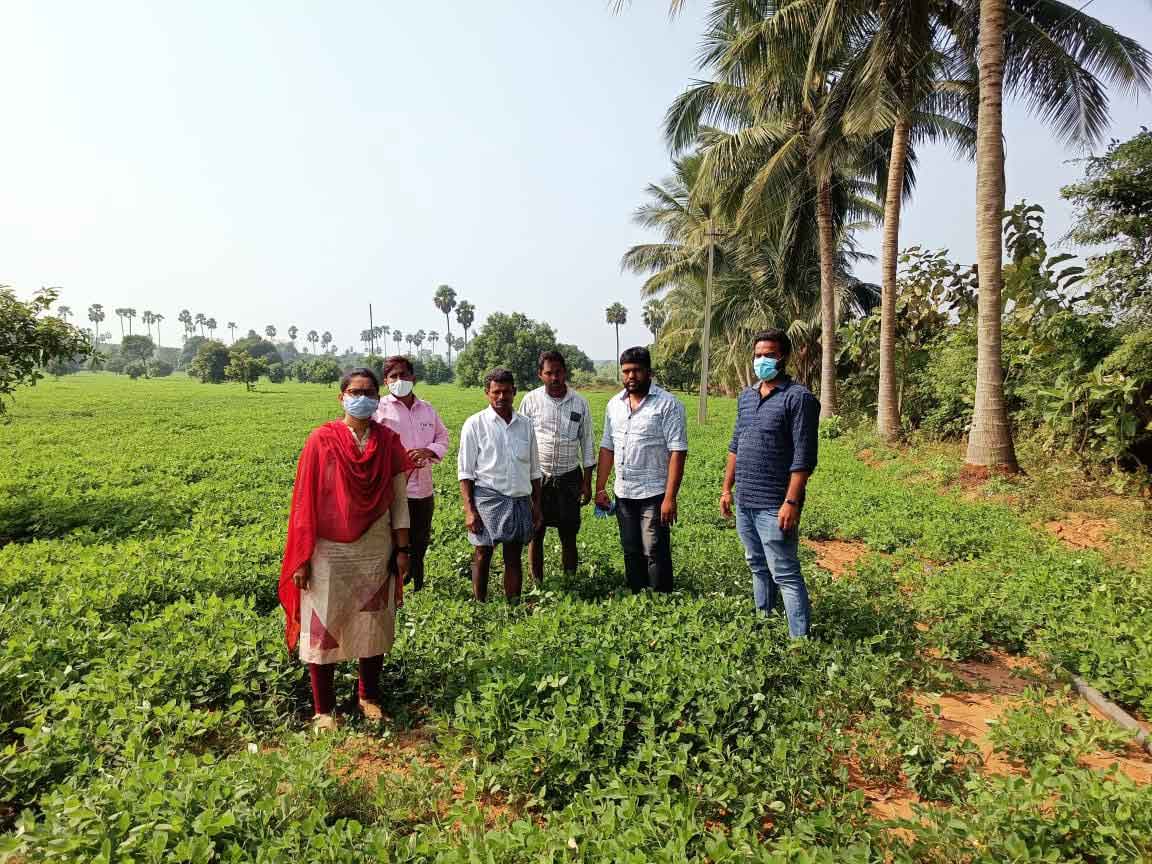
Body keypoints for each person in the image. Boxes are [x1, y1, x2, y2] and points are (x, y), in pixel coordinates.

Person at [279, 367, 412, 731]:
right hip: (327, 550)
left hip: (375, 547)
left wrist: (403, 549)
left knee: (373, 622)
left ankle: (368, 695)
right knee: (324, 623)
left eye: (370, 392)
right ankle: (323, 709)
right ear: (342, 396)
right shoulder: (321, 440)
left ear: (378, 397)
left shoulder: (388, 442)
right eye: (356, 391)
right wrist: (302, 558)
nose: (363, 398)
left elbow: (399, 500)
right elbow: (305, 502)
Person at [720, 329, 820, 638]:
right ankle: (764, 619)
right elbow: (736, 444)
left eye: (770, 355)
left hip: (775, 504)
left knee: (786, 572)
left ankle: (799, 640)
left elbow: (804, 457)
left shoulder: (798, 398)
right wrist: (727, 488)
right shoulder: (747, 396)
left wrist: (791, 502)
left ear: (784, 357)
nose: (762, 360)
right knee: (756, 564)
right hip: (745, 500)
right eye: (758, 355)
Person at [595, 346, 687, 593]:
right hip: (623, 491)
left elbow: (677, 451)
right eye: (625, 371)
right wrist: (600, 487)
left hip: (654, 492)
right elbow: (607, 447)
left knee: (654, 547)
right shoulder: (614, 404)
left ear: (649, 372)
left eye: (636, 370)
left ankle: (660, 595)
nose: (630, 376)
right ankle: (636, 592)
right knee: (630, 547)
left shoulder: (668, 405)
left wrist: (670, 498)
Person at [457, 368, 543, 601]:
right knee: (483, 552)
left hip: (518, 499)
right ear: (487, 393)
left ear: (514, 392)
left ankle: (513, 603)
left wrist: (536, 505)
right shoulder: (474, 424)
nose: (501, 397)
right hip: (487, 498)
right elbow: (465, 473)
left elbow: (534, 470)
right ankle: (480, 602)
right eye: (496, 392)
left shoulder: (525, 425)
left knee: (513, 555)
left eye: (506, 392)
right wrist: (469, 510)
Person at [373, 355, 450, 591]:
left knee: (420, 539)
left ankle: (417, 584)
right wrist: (400, 460)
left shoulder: (427, 409)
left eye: (403, 375)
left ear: (413, 378)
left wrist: (429, 451)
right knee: (393, 541)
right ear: (386, 381)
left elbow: (443, 437)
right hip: (392, 490)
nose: (399, 380)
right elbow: (373, 446)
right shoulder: (379, 410)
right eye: (393, 376)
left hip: (422, 489)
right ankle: (393, 586)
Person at [519, 350, 595, 585]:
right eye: (549, 373)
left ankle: (570, 581)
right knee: (536, 532)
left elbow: (588, 443)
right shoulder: (530, 400)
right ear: (540, 375)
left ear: (565, 372)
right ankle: (537, 583)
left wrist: (587, 482)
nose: (554, 378)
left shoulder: (580, 402)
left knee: (569, 534)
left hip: (569, 477)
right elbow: (520, 440)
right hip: (537, 477)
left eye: (558, 372)